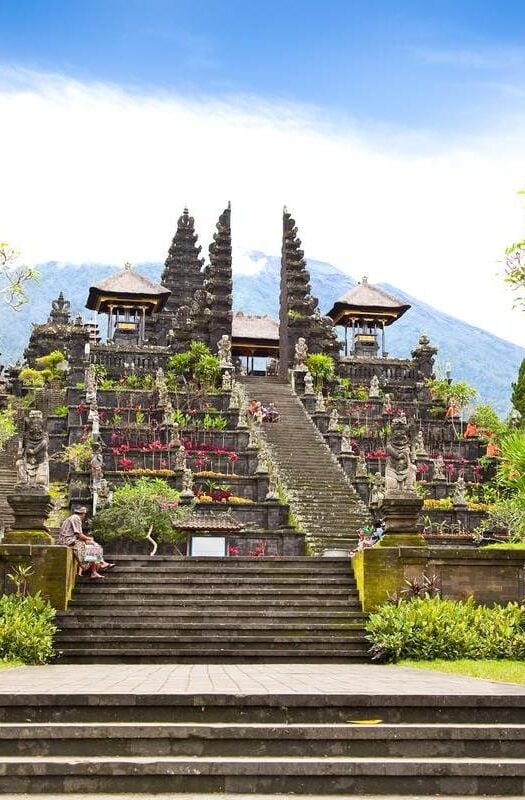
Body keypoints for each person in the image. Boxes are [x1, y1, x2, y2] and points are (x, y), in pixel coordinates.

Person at [56, 506, 114, 580]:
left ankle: (98, 566)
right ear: (83, 514)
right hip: (68, 541)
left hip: (69, 540)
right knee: (92, 545)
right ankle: (97, 568)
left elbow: (78, 535)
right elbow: (80, 535)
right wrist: (89, 538)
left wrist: (87, 540)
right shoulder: (76, 518)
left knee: (92, 545)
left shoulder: (73, 517)